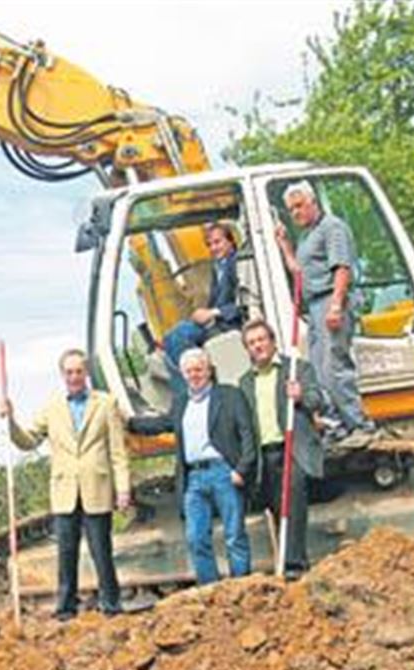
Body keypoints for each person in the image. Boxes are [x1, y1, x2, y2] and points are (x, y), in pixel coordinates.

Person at [0, 349, 131, 620]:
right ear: (62, 375)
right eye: (69, 372)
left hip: (97, 487)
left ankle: (112, 604)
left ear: (87, 373)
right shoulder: (51, 407)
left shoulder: (106, 404)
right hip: (64, 491)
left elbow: (118, 452)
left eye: (79, 371)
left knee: (101, 551)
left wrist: (123, 488)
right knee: (66, 552)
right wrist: (10, 419)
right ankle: (66, 608)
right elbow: (27, 441)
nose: (74, 377)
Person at [129, 347, 256, 586]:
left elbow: (248, 434)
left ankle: (243, 587)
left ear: (209, 371)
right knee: (196, 538)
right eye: (189, 371)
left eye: (199, 369)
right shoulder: (181, 403)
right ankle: (210, 589)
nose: (194, 374)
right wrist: (129, 422)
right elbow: (162, 424)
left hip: (224, 473)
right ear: (183, 375)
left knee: (234, 535)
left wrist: (242, 469)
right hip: (193, 478)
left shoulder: (230, 396)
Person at [274, 181, 376, 440]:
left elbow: (342, 267)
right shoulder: (307, 235)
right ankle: (338, 425)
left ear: (313, 202)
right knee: (319, 369)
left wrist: (336, 306)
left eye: (299, 206)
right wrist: (285, 245)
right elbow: (298, 271)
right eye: (291, 209)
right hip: (314, 305)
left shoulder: (333, 227)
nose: (295, 212)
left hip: (331, 299)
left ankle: (359, 425)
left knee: (334, 367)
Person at [238, 319, 324, 580]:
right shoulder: (245, 382)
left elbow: (318, 399)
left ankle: (294, 568)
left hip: (291, 450)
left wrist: (300, 397)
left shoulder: (297, 369)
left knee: (292, 508)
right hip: (265, 457)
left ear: (272, 341)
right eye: (252, 343)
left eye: (261, 340)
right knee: (277, 510)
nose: (258, 346)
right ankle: (289, 563)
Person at [163, 221, 243, 366]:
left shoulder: (238, 264)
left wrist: (213, 313)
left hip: (231, 324)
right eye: (209, 244)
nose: (213, 248)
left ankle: (195, 374)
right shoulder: (217, 267)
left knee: (180, 336)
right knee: (169, 337)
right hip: (217, 322)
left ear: (231, 242)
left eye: (217, 242)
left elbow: (244, 303)